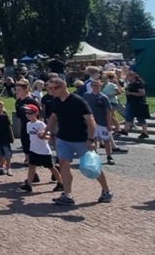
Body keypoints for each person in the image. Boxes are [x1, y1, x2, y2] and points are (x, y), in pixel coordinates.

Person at [43, 77, 113, 206]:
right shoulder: (55, 101)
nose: (51, 91)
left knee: (92, 166)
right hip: (63, 138)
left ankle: (106, 190)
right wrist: (46, 130)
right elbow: (54, 117)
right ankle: (67, 194)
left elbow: (91, 121)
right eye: (49, 88)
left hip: (81, 139)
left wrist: (91, 139)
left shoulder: (78, 101)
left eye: (54, 88)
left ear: (63, 86)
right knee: (63, 163)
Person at [18, 105, 63, 193]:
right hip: (33, 149)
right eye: (26, 113)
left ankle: (60, 183)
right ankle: (29, 184)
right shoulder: (28, 124)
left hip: (44, 151)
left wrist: (43, 136)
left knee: (51, 167)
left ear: (36, 113)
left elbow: (49, 136)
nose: (28, 115)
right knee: (31, 166)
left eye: (30, 112)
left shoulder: (41, 124)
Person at [83, 79, 125, 166]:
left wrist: (108, 124)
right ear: (91, 86)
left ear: (100, 86)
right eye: (93, 85)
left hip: (102, 122)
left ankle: (109, 156)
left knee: (106, 140)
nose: (95, 87)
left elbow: (109, 111)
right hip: (92, 122)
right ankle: (94, 156)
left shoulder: (103, 97)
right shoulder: (87, 95)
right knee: (93, 139)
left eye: (97, 85)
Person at [14, 80, 41, 164]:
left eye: (19, 89)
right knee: (25, 142)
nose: (17, 91)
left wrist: (40, 127)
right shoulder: (18, 102)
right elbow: (19, 117)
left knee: (33, 142)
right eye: (16, 89)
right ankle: (27, 158)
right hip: (24, 125)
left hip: (33, 124)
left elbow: (40, 114)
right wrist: (20, 128)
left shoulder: (31, 101)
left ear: (26, 90)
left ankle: (36, 158)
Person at [121, 71, 151, 139]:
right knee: (128, 116)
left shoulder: (137, 84)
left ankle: (145, 132)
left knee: (140, 118)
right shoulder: (129, 84)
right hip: (130, 102)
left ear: (133, 76)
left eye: (128, 76)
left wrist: (130, 93)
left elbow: (142, 93)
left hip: (138, 103)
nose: (127, 78)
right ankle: (125, 130)